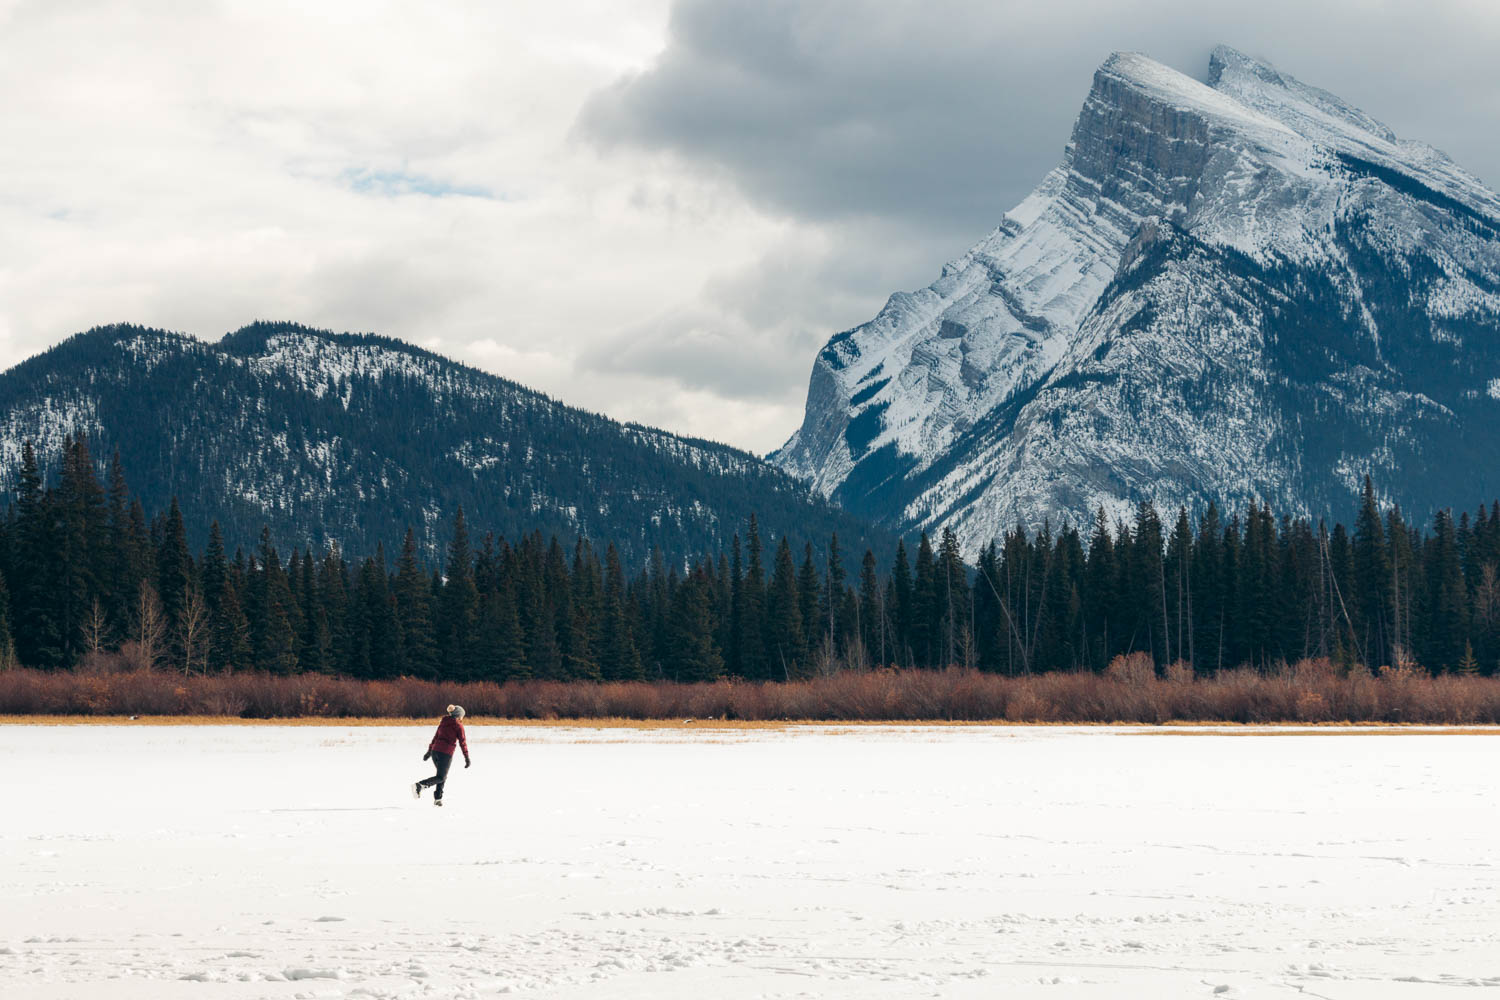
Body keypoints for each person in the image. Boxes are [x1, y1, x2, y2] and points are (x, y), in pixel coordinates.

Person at [413, 704, 471, 806]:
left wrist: (429, 752)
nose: (462, 719)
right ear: (459, 716)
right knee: (441, 777)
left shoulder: (443, 722)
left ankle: (438, 799)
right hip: (446, 754)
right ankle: (420, 785)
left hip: (435, 752)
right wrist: (466, 757)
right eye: (462, 716)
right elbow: (463, 743)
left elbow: (436, 737)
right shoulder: (458, 726)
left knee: (442, 775)